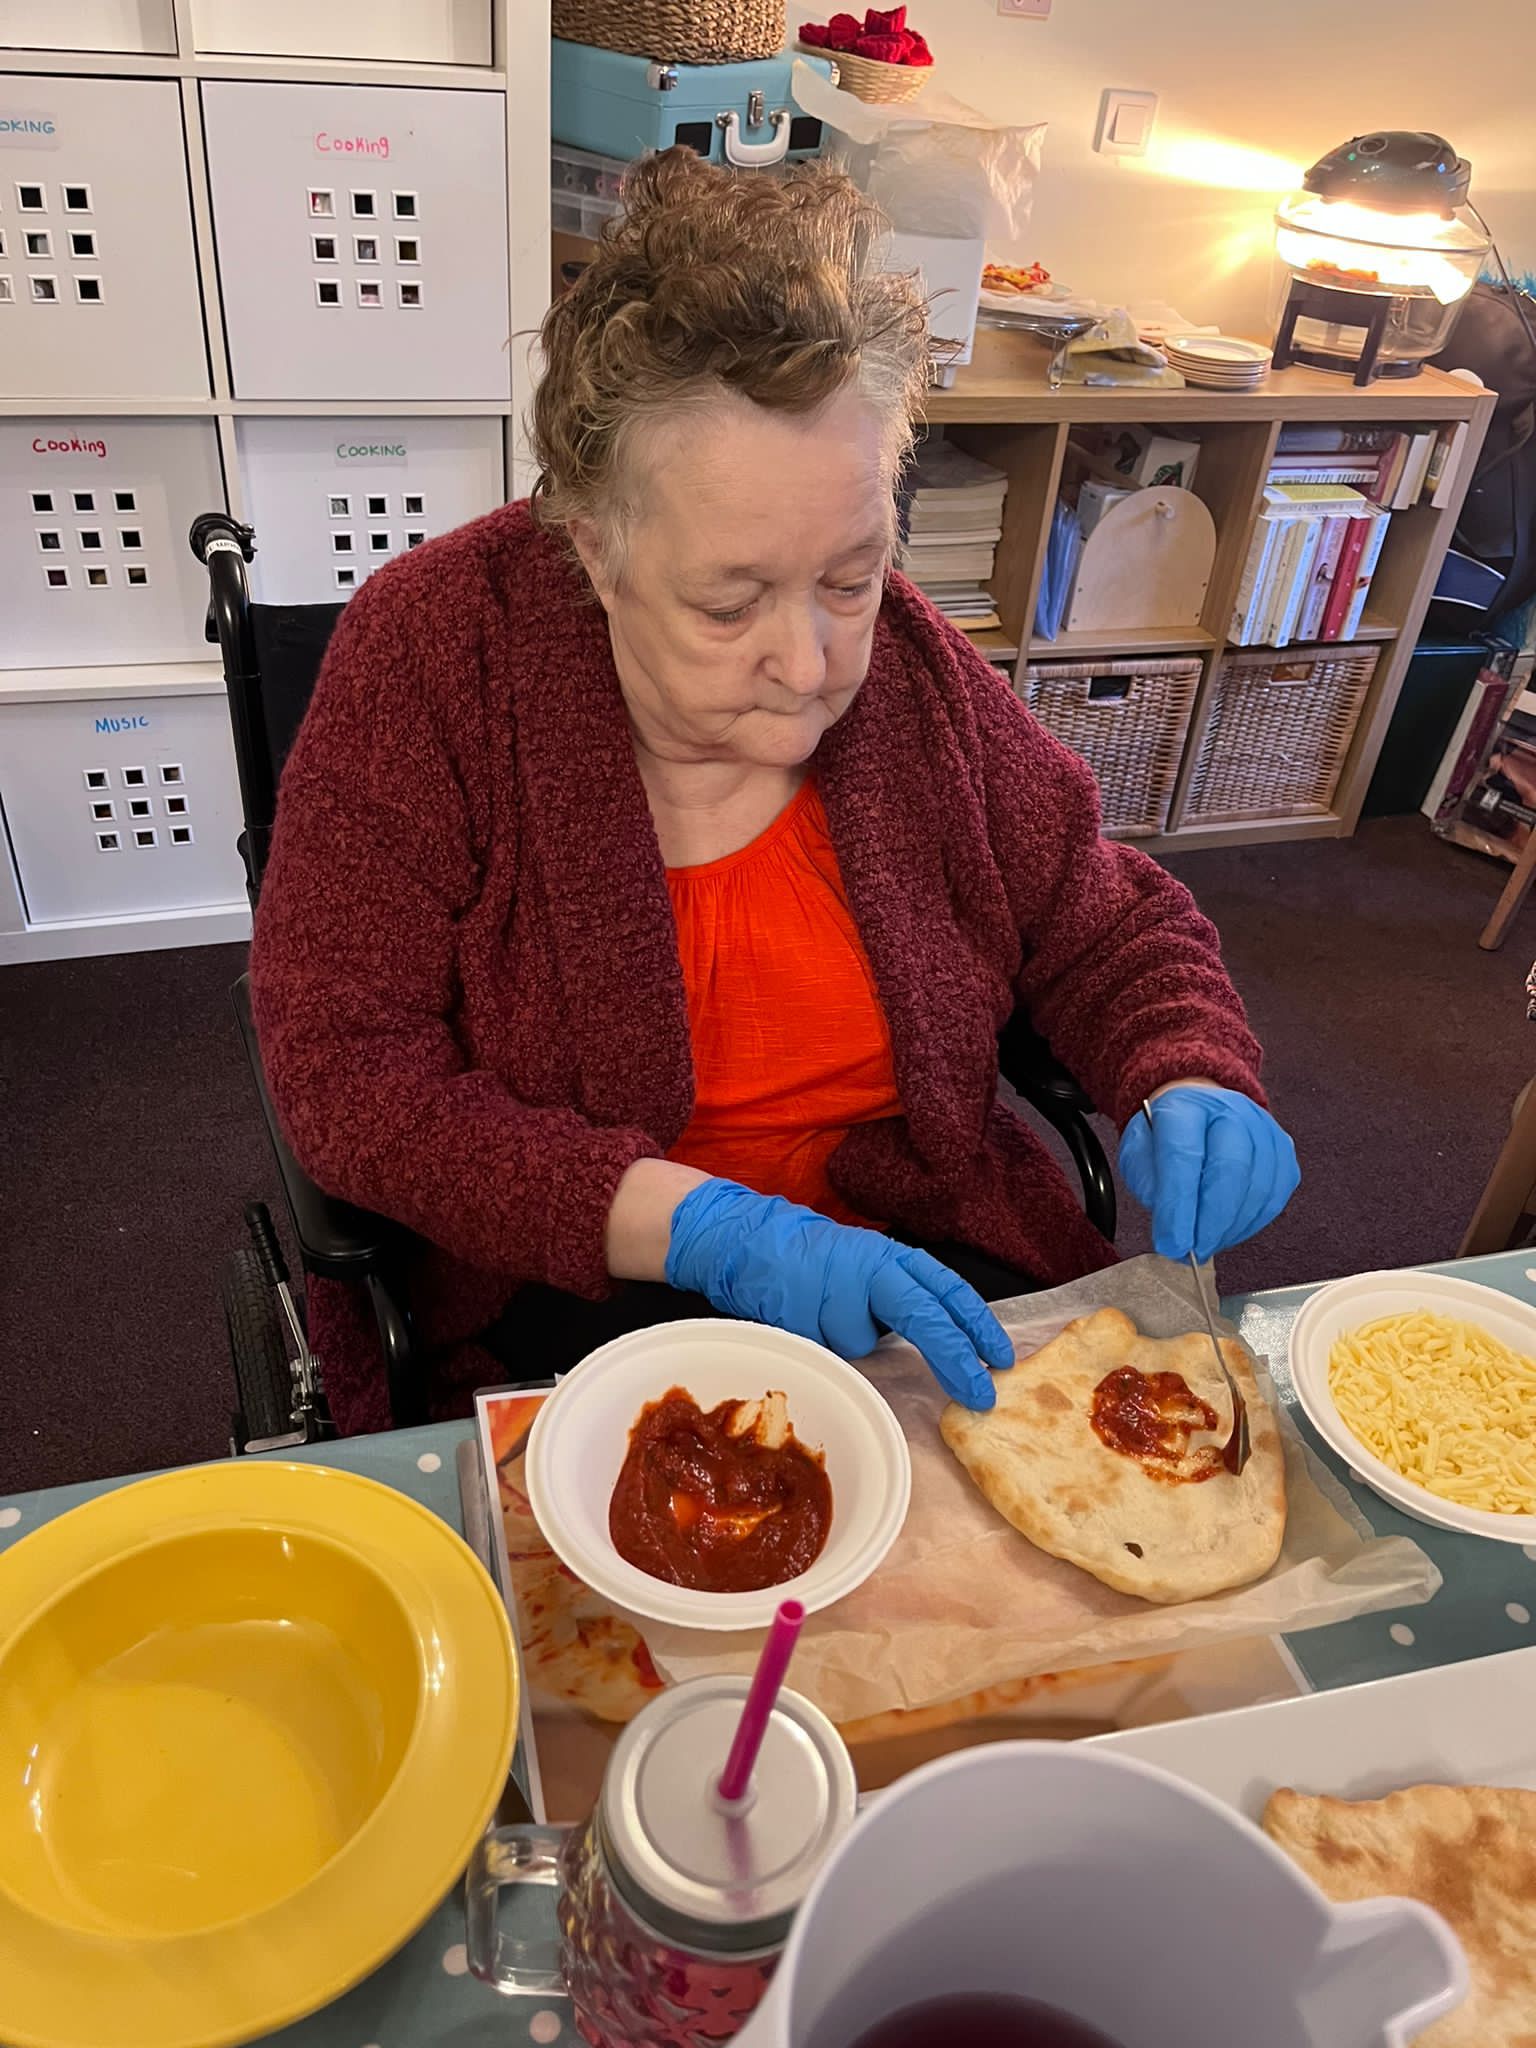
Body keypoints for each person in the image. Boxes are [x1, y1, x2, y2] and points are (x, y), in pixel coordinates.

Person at [250, 150, 1298, 1435]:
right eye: (729, 602)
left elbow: (1102, 918)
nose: (809, 665)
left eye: (849, 577)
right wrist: (703, 1224)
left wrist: (1188, 1070)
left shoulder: (909, 667)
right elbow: (348, 1075)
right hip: (573, 1290)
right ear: (595, 548)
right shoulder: (432, 657)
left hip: (915, 1256)